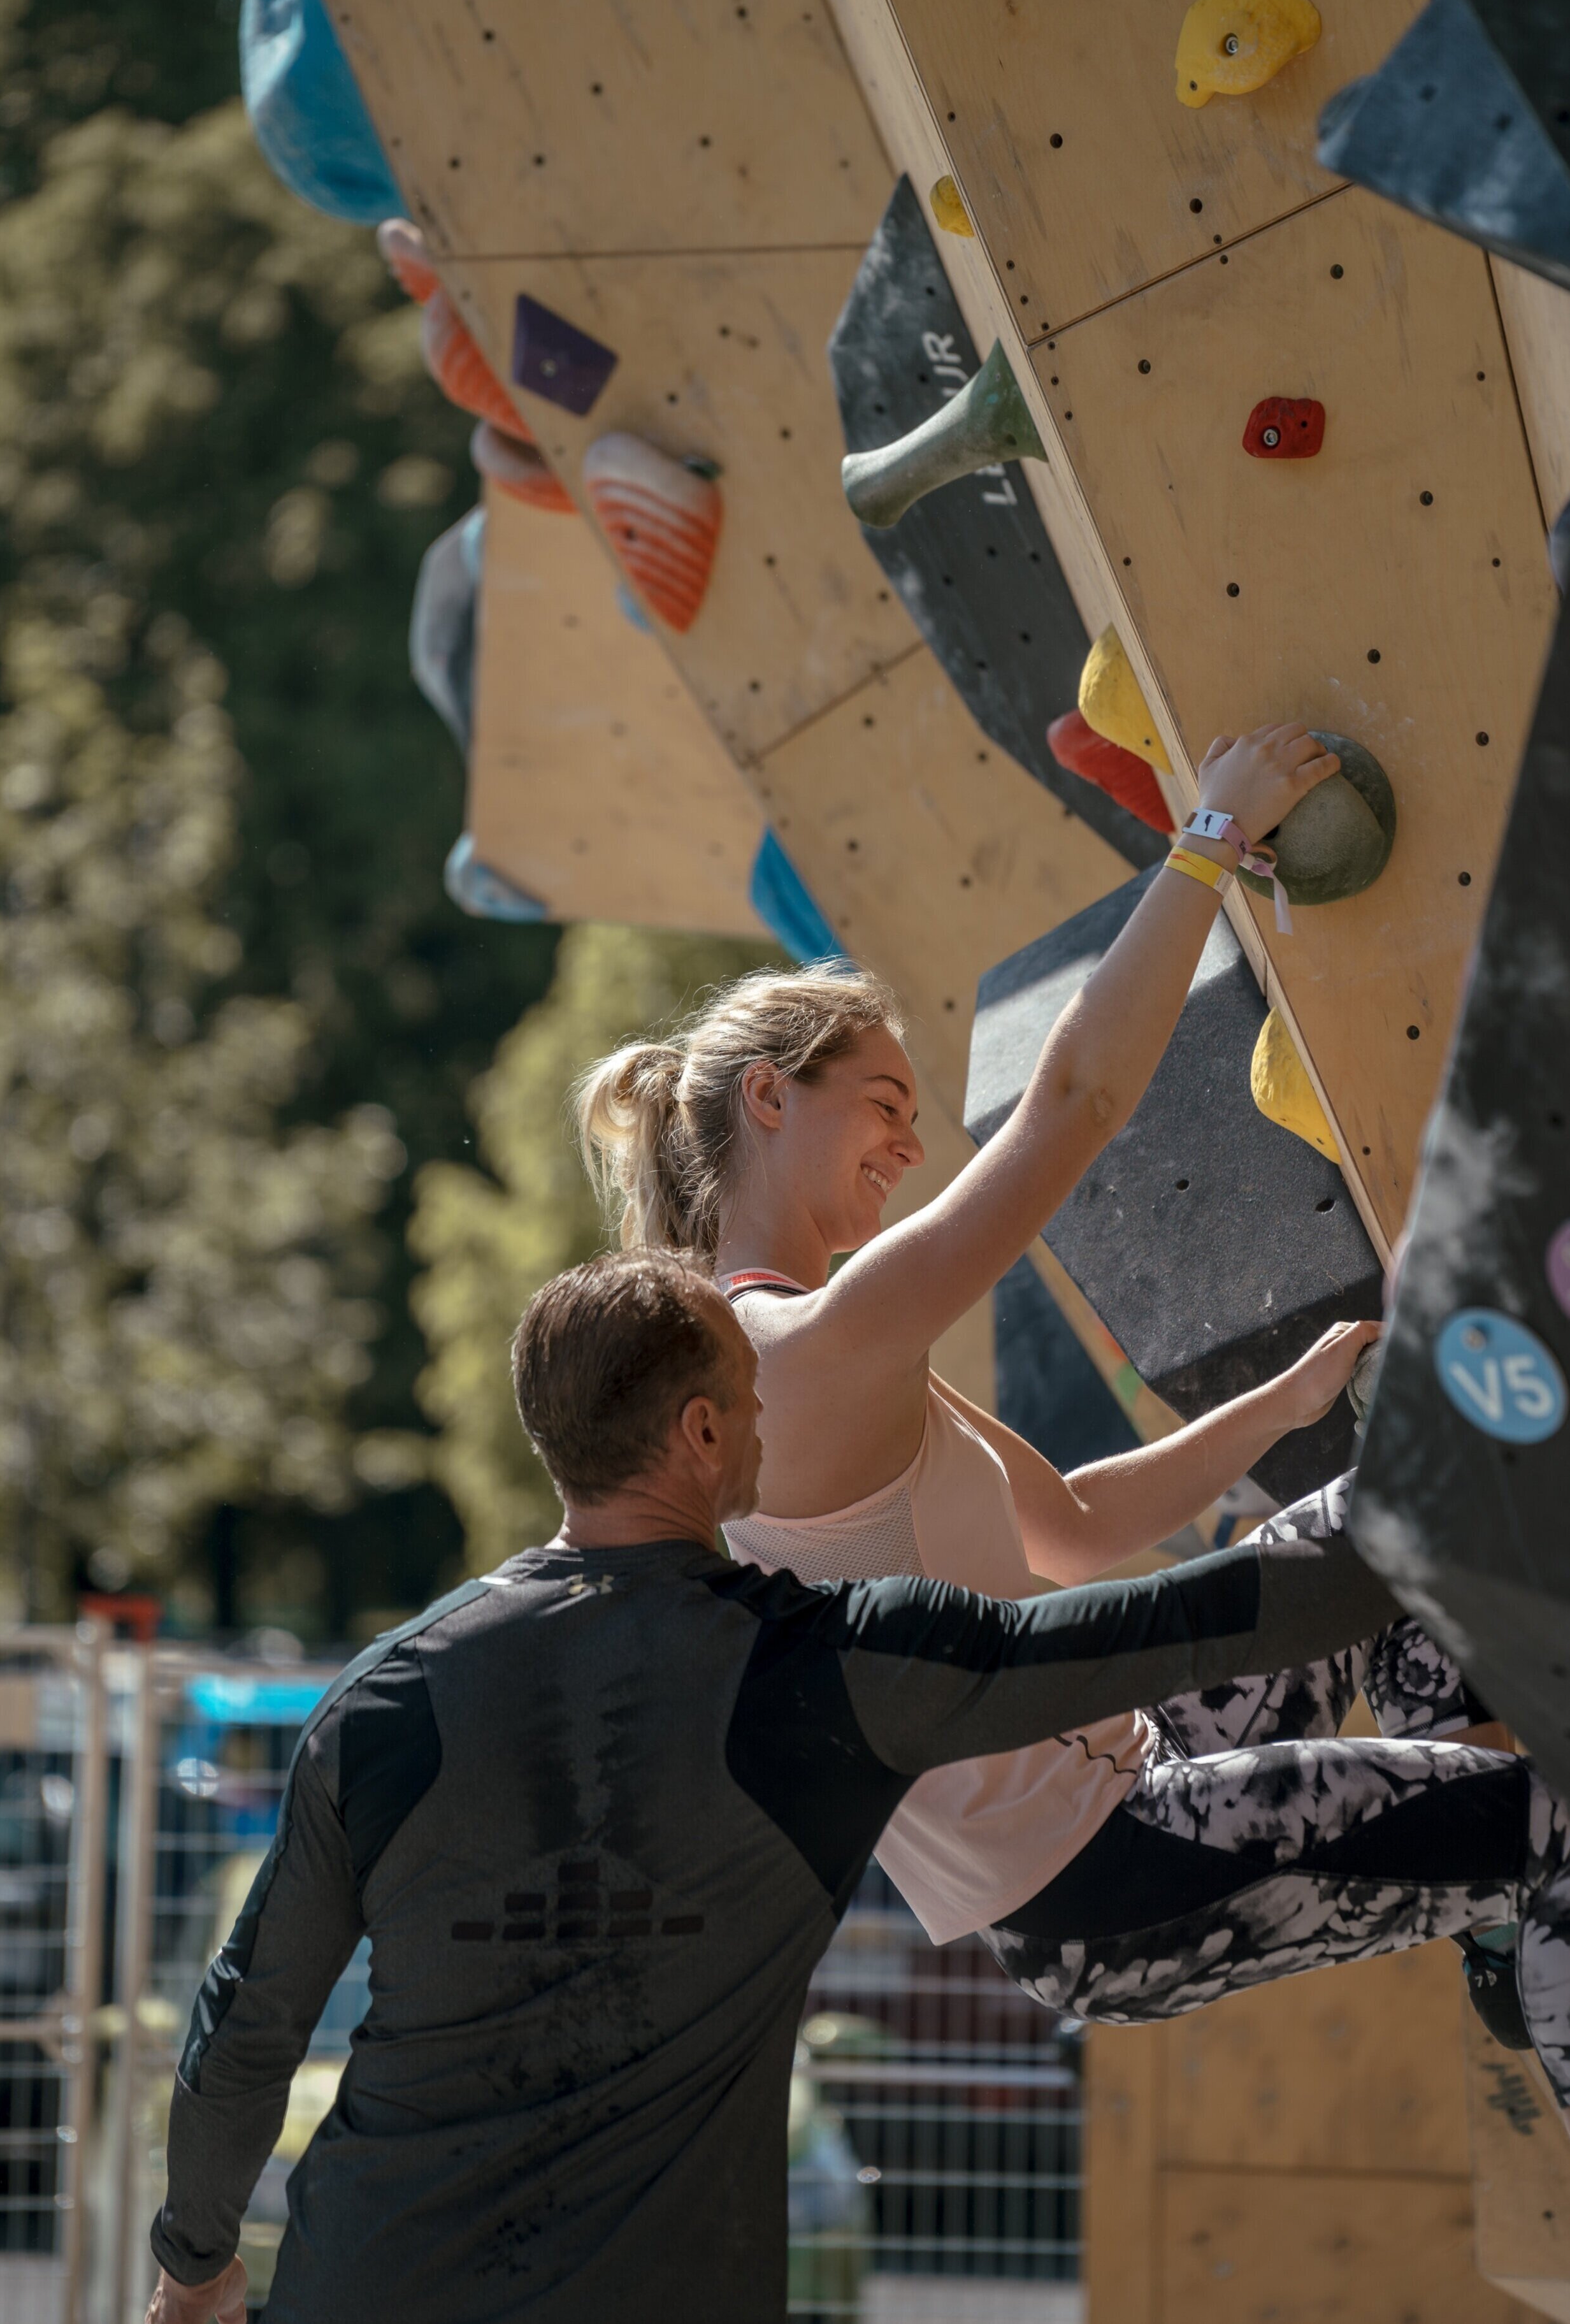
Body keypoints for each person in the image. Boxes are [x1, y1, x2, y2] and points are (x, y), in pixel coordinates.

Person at [144, 1251, 1422, 2324]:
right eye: (751, 1398)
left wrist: (194, 2263)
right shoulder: (817, 1667)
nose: (767, 1421)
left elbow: (246, 2027)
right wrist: (1434, 1509)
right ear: (700, 1432)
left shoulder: (382, 1699)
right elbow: (1176, 1625)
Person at [575, 723, 1548, 2042]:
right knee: (1548, 1816)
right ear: (768, 1098)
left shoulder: (825, 1352)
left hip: (1141, 1749)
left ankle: (1493, 1900)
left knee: (1402, 1509)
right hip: (1107, 1883)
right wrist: (1206, 838)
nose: (910, 1145)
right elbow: (1075, 1104)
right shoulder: (797, 1354)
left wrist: (1288, 1397)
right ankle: (1518, 1894)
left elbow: (1078, 1522)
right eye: (882, 1101)